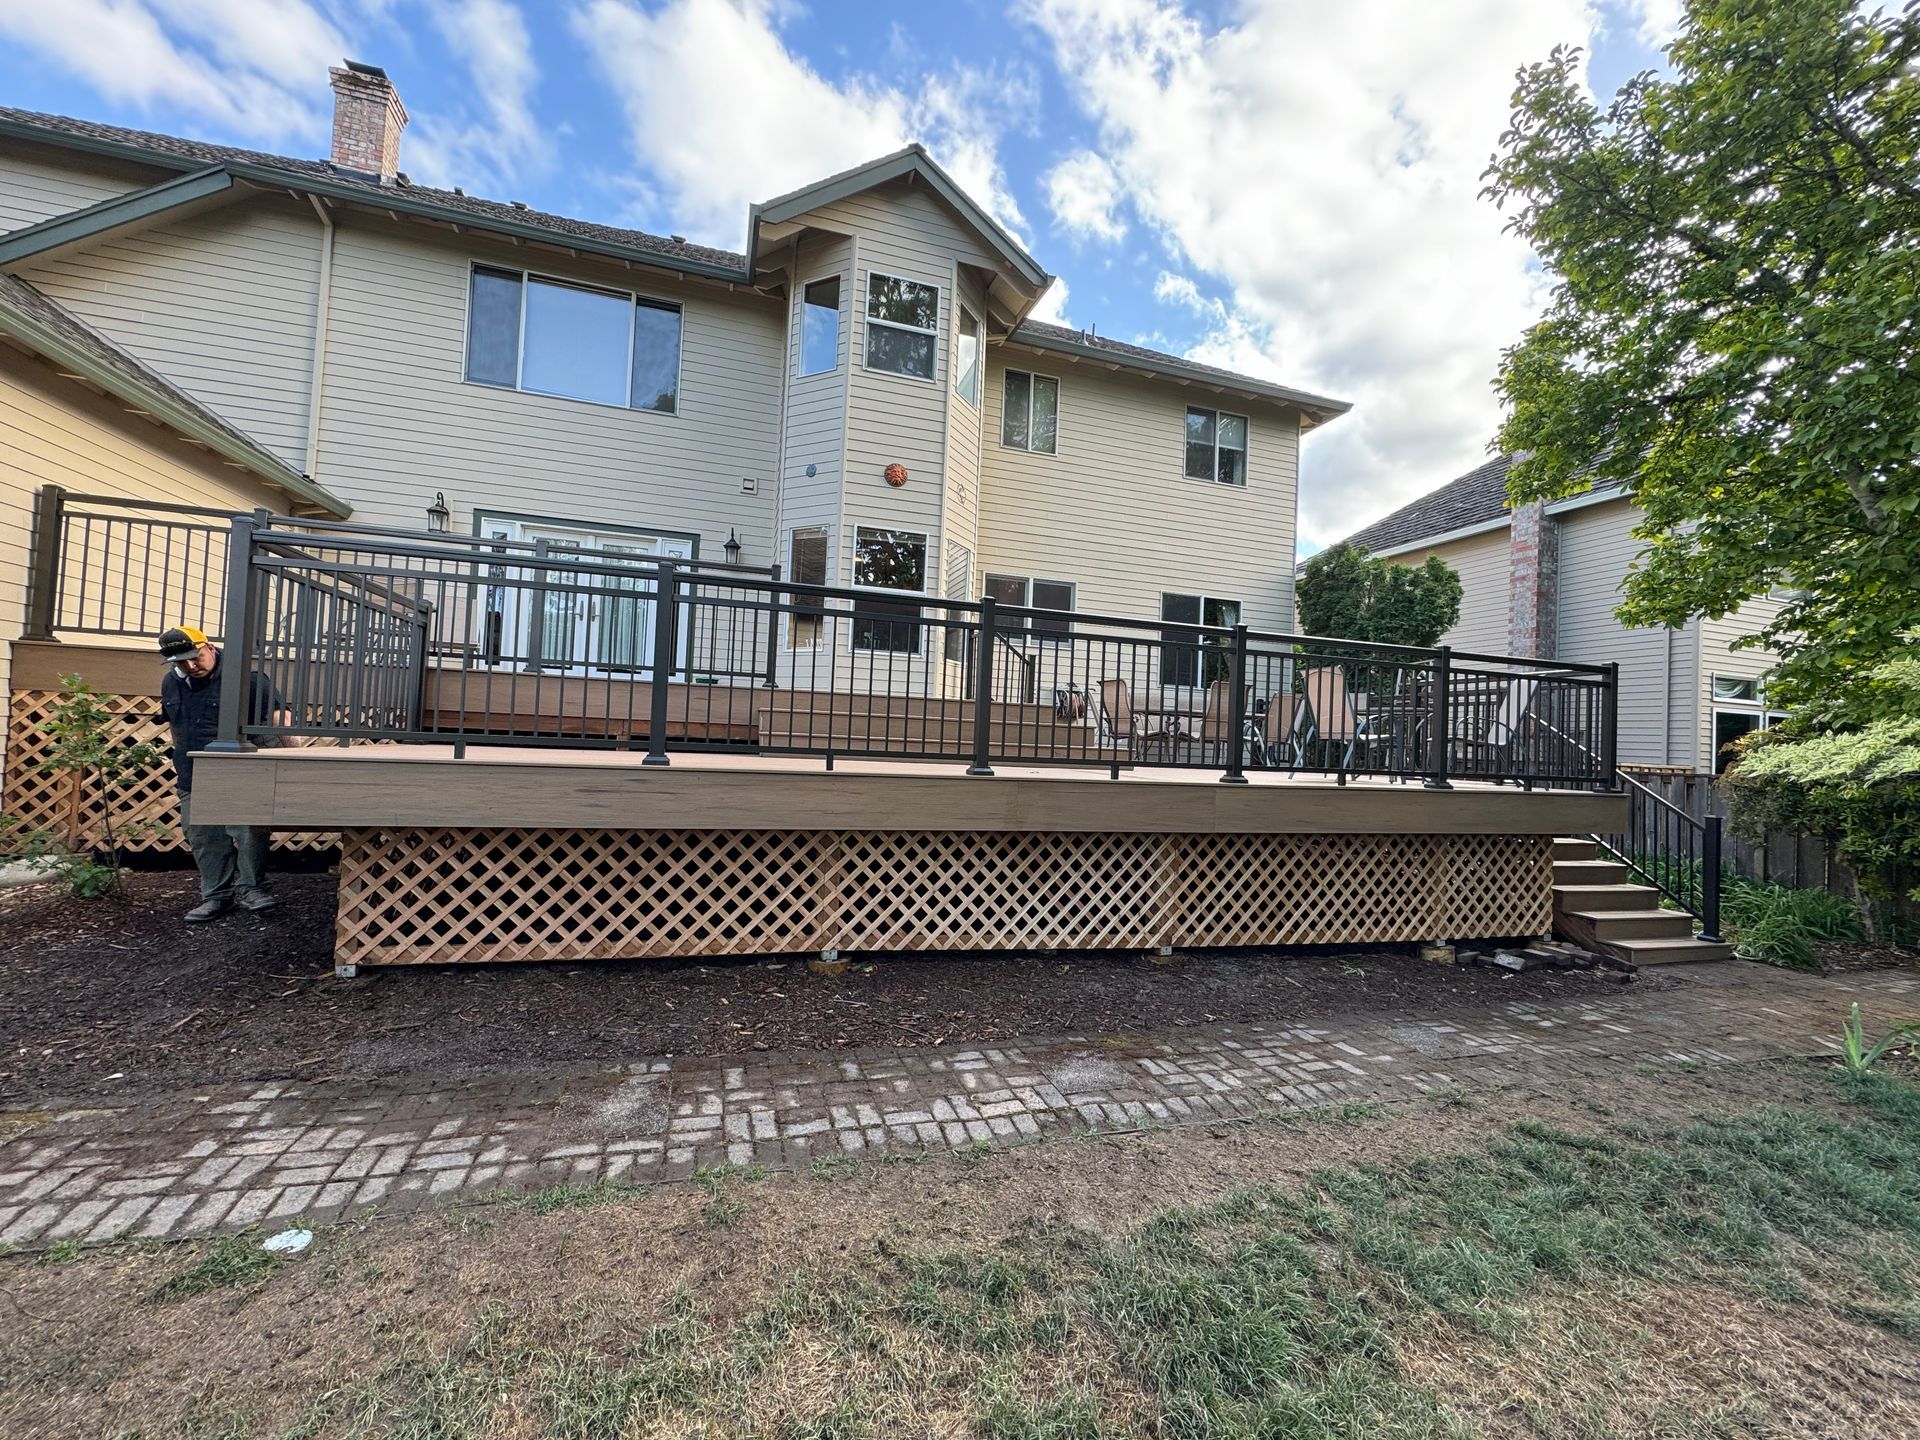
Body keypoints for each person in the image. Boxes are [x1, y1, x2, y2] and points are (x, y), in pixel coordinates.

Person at [157, 624, 281, 921]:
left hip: (243, 771)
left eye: (195, 657)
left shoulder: (246, 680)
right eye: (180, 662)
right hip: (193, 772)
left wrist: (289, 762)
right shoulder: (170, 683)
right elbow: (175, 725)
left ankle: (252, 889)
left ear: (210, 647)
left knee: (248, 830)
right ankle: (216, 896)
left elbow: (279, 720)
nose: (190, 666)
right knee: (201, 835)